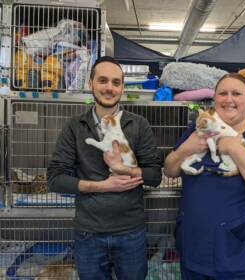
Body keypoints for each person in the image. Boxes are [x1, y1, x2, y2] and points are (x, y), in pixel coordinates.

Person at [164, 73, 245, 280]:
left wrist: (234, 147)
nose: (229, 99)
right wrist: (185, 148)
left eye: (236, 93)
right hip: (194, 250)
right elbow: (170, 170)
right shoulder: (196, 132)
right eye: (222, 93)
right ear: (215, 99)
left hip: (239, 256)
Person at [47, 56, 162, 280]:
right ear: (91, 84)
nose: (109, 88)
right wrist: (103, 186)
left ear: (122, 87)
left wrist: (125, 169)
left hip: (131, 232)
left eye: (116, 82)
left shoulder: (138, 125)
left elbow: (154, 175)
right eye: (102, 80)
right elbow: (55, 179)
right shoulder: (75, 127)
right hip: (89, 233)